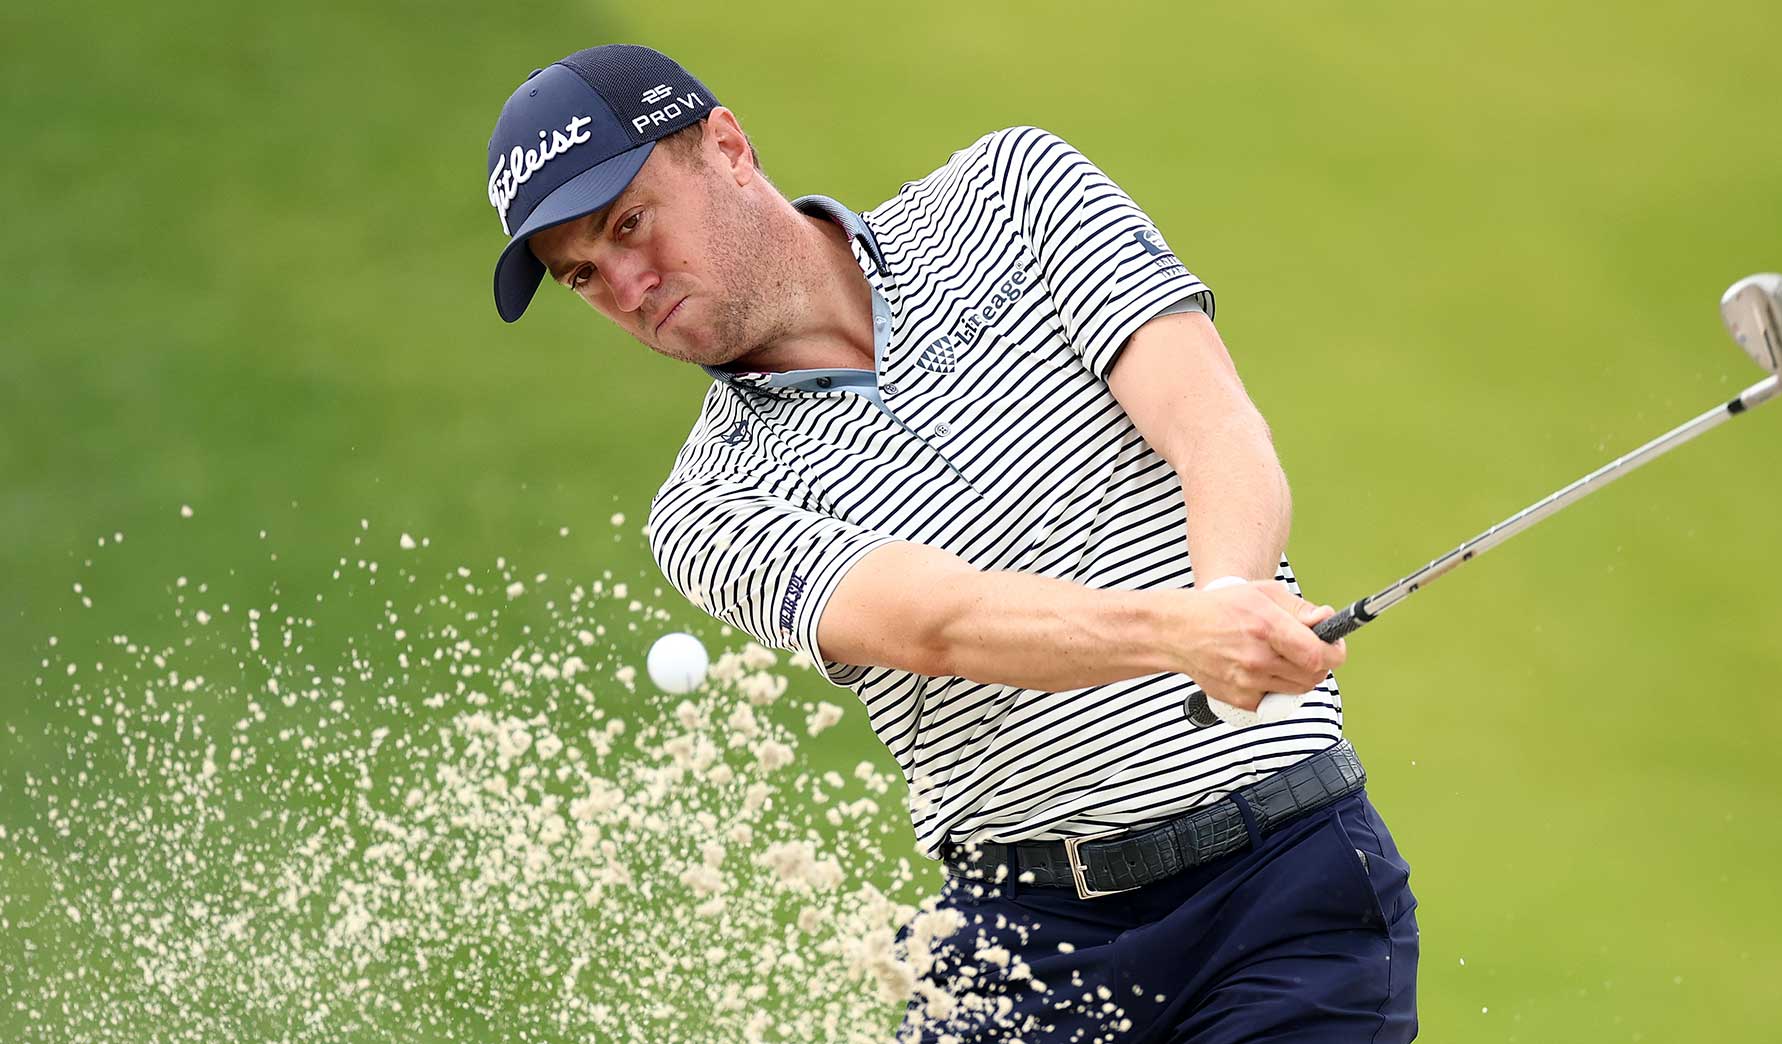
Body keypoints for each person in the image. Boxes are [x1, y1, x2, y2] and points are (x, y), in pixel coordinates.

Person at [483, 43, 1418, 1043]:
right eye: (583, 275)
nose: (627, 286)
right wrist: (1184, 633)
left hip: (1283, 884)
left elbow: (1208, 421)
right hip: (1026, 949)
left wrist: (1230, 595)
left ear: (728, 147)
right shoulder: (707, 508)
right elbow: (943, 625)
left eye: (630, 224)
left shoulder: (1013, 192)